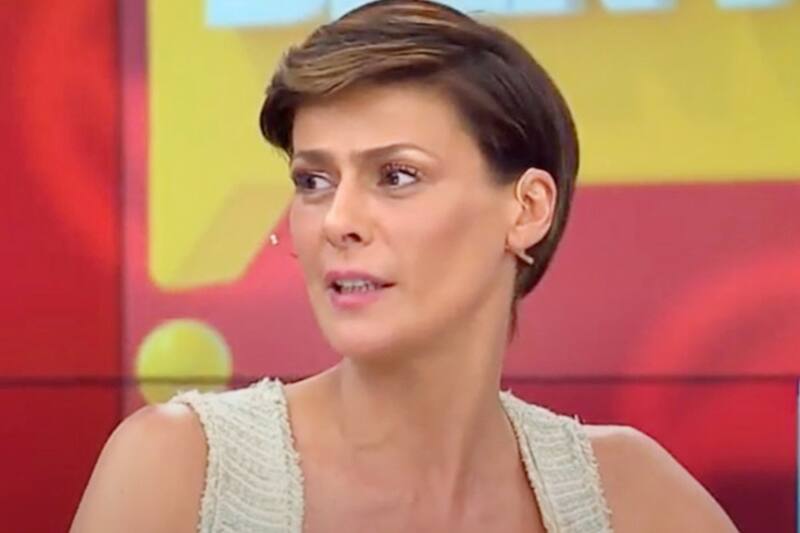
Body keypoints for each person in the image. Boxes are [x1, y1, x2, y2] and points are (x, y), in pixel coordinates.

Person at [72, 1, 739, 532]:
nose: (337, 220)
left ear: (527, 208)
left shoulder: (630, 496)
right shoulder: (179, 470)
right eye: (313, 181)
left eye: (396, 175)